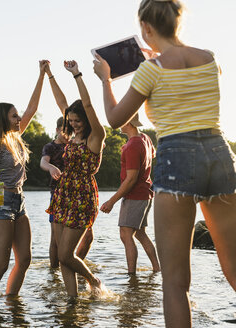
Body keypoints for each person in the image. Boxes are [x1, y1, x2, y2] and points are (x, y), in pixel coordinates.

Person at [93, 0, 236, 326]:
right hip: (219, 153)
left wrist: (105, 79)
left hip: (177, 160)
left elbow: (116, 120)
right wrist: (160, 53)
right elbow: (191, 75)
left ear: (146, 28)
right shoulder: (209, 58)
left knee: (174, 283)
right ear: (179, 23)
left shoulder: (151, 70)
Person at [0, 60, 48, 299]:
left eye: (18, 115)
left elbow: (32, 109)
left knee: (25, 259)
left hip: (19, 202)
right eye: (14, 116)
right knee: (1, 264)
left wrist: (42, 74)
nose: (19, 119)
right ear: (3, 119)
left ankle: (11, 302)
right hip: (0, 202)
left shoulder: (15, 137)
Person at [45, 60, 106, 297]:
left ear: (87, 120)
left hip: (81, 197)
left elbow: (88, 104)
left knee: (66, 255)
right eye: (70, 121)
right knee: (63, 258)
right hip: (63, 194)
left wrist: (77, 74)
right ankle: (72, 304)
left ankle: (93, 280)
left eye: (77, 121)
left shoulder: (96, 137)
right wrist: (50, 74)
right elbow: (62, 103)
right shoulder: (71, 135)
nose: (73, 125)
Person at [100, 114, 160, 274]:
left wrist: (111, 201)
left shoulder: (132, 146)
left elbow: (131, 179)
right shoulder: (145, 138)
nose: (117, 123)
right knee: (140, 233)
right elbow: (151, 154)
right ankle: (157, 269)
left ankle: (131, 275)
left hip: (135, 195)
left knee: (126, 234)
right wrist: (128, 152)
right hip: (146, 193)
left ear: (128, 122)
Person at [40, 117, 94, 268]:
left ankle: (72, 263)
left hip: (78, 194)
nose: (67, 134)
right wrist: (50, 167)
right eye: (64, 131)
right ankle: (54, 273)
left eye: (69, 131)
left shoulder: (76, 144)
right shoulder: (50, 147)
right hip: (57, 194)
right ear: (57, 130)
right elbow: (43, 162)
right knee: (55, 239)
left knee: (88, 236)